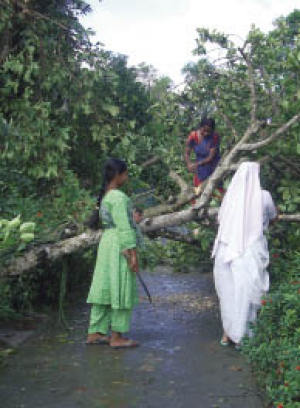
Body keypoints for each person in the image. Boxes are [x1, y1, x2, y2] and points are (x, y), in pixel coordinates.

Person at [212, 162, 277, 349]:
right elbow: (273, 216)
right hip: (250, 251)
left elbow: (221, 220)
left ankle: (228, 334)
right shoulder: (264, 196)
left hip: (226, 250)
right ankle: (245, 336)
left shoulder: (230, 198)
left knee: (229, 294)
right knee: (246, 295)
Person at [86, 158, 140, 349]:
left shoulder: (106, 196)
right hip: (119, 244)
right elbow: (124, 228)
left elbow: (117, 222)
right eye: (125, 173)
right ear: (118, 175)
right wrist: (132, 254)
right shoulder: (118, 197)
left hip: (107, 243)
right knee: (120, 286)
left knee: (105, 286)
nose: (126, 177)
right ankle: (116, 337)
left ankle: (95, 332)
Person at [185, 117, 221, 195]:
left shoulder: (215, 137)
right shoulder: (193, 136)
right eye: (204, 130)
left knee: (217, 191)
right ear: (200, 127)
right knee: (198, 192)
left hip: (214, 165)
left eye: (209, 131)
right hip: (201, 169)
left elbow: (210, 157)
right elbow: (187, 153)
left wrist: (196, 164)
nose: (206, 133)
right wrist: (189, 164)